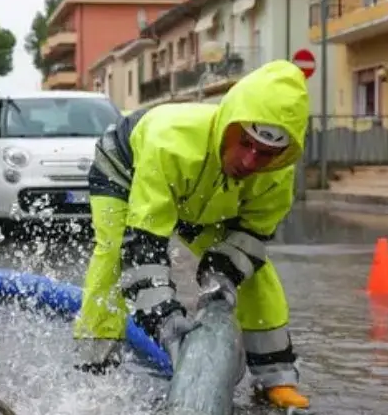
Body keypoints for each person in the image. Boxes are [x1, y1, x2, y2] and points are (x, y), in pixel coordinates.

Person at [71, 60, 311, 409]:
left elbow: (250, 238)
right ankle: (95, 356)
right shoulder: (170, 142)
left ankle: (276, 376)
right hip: (127, 170)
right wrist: (165, 319)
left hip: (202, 198)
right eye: (245, 143)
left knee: (256, 274)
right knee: (112, 255)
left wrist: (222, 278)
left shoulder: (277, 176)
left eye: (266, 153)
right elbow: (143, 247)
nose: (249, 161)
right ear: (229, 124)